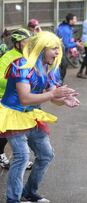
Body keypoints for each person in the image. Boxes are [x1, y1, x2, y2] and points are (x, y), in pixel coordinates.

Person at [0, 31, 79, 203]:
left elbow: (52, 96)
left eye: (59, 48)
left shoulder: (49, 69)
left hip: (31, 115)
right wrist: (53, 95)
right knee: (21, 156)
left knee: (46, 154)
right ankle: (13, 199)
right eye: (54, 48)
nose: (58, 52)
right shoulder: (21, 65)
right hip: (13, 114)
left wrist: (64, 99)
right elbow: (25, 98)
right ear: (41, 48)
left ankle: (29, 193)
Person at [0, 28, 32, 170]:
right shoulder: (7, 57)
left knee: (16, 130)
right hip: (4, 99)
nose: (28, 45)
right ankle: (4, 155)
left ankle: (20, 157)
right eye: (25, 42)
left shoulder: (26, 56)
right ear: (17, 43)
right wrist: (18, 83)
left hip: (19, 99)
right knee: (8, 130)